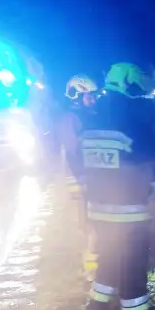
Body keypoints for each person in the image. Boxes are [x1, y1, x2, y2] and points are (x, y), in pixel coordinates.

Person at [78, 62, 155, 310]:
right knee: (133, 268)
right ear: (130, 89)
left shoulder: (92, 123)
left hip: (98, 211)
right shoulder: (135, 127)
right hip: (129, 214)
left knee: (108, 261)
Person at [57, 74, 100, 278]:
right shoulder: (70, 119)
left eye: (93, 96)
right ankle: (91, 272)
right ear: (76, 97)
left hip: (90, 179)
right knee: (90, 226)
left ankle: (91, 267)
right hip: (82, 181)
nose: (92, 100)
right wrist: (81, 179)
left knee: (93, 225)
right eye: (88, 96)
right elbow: (73, 152)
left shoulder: (86, 117)